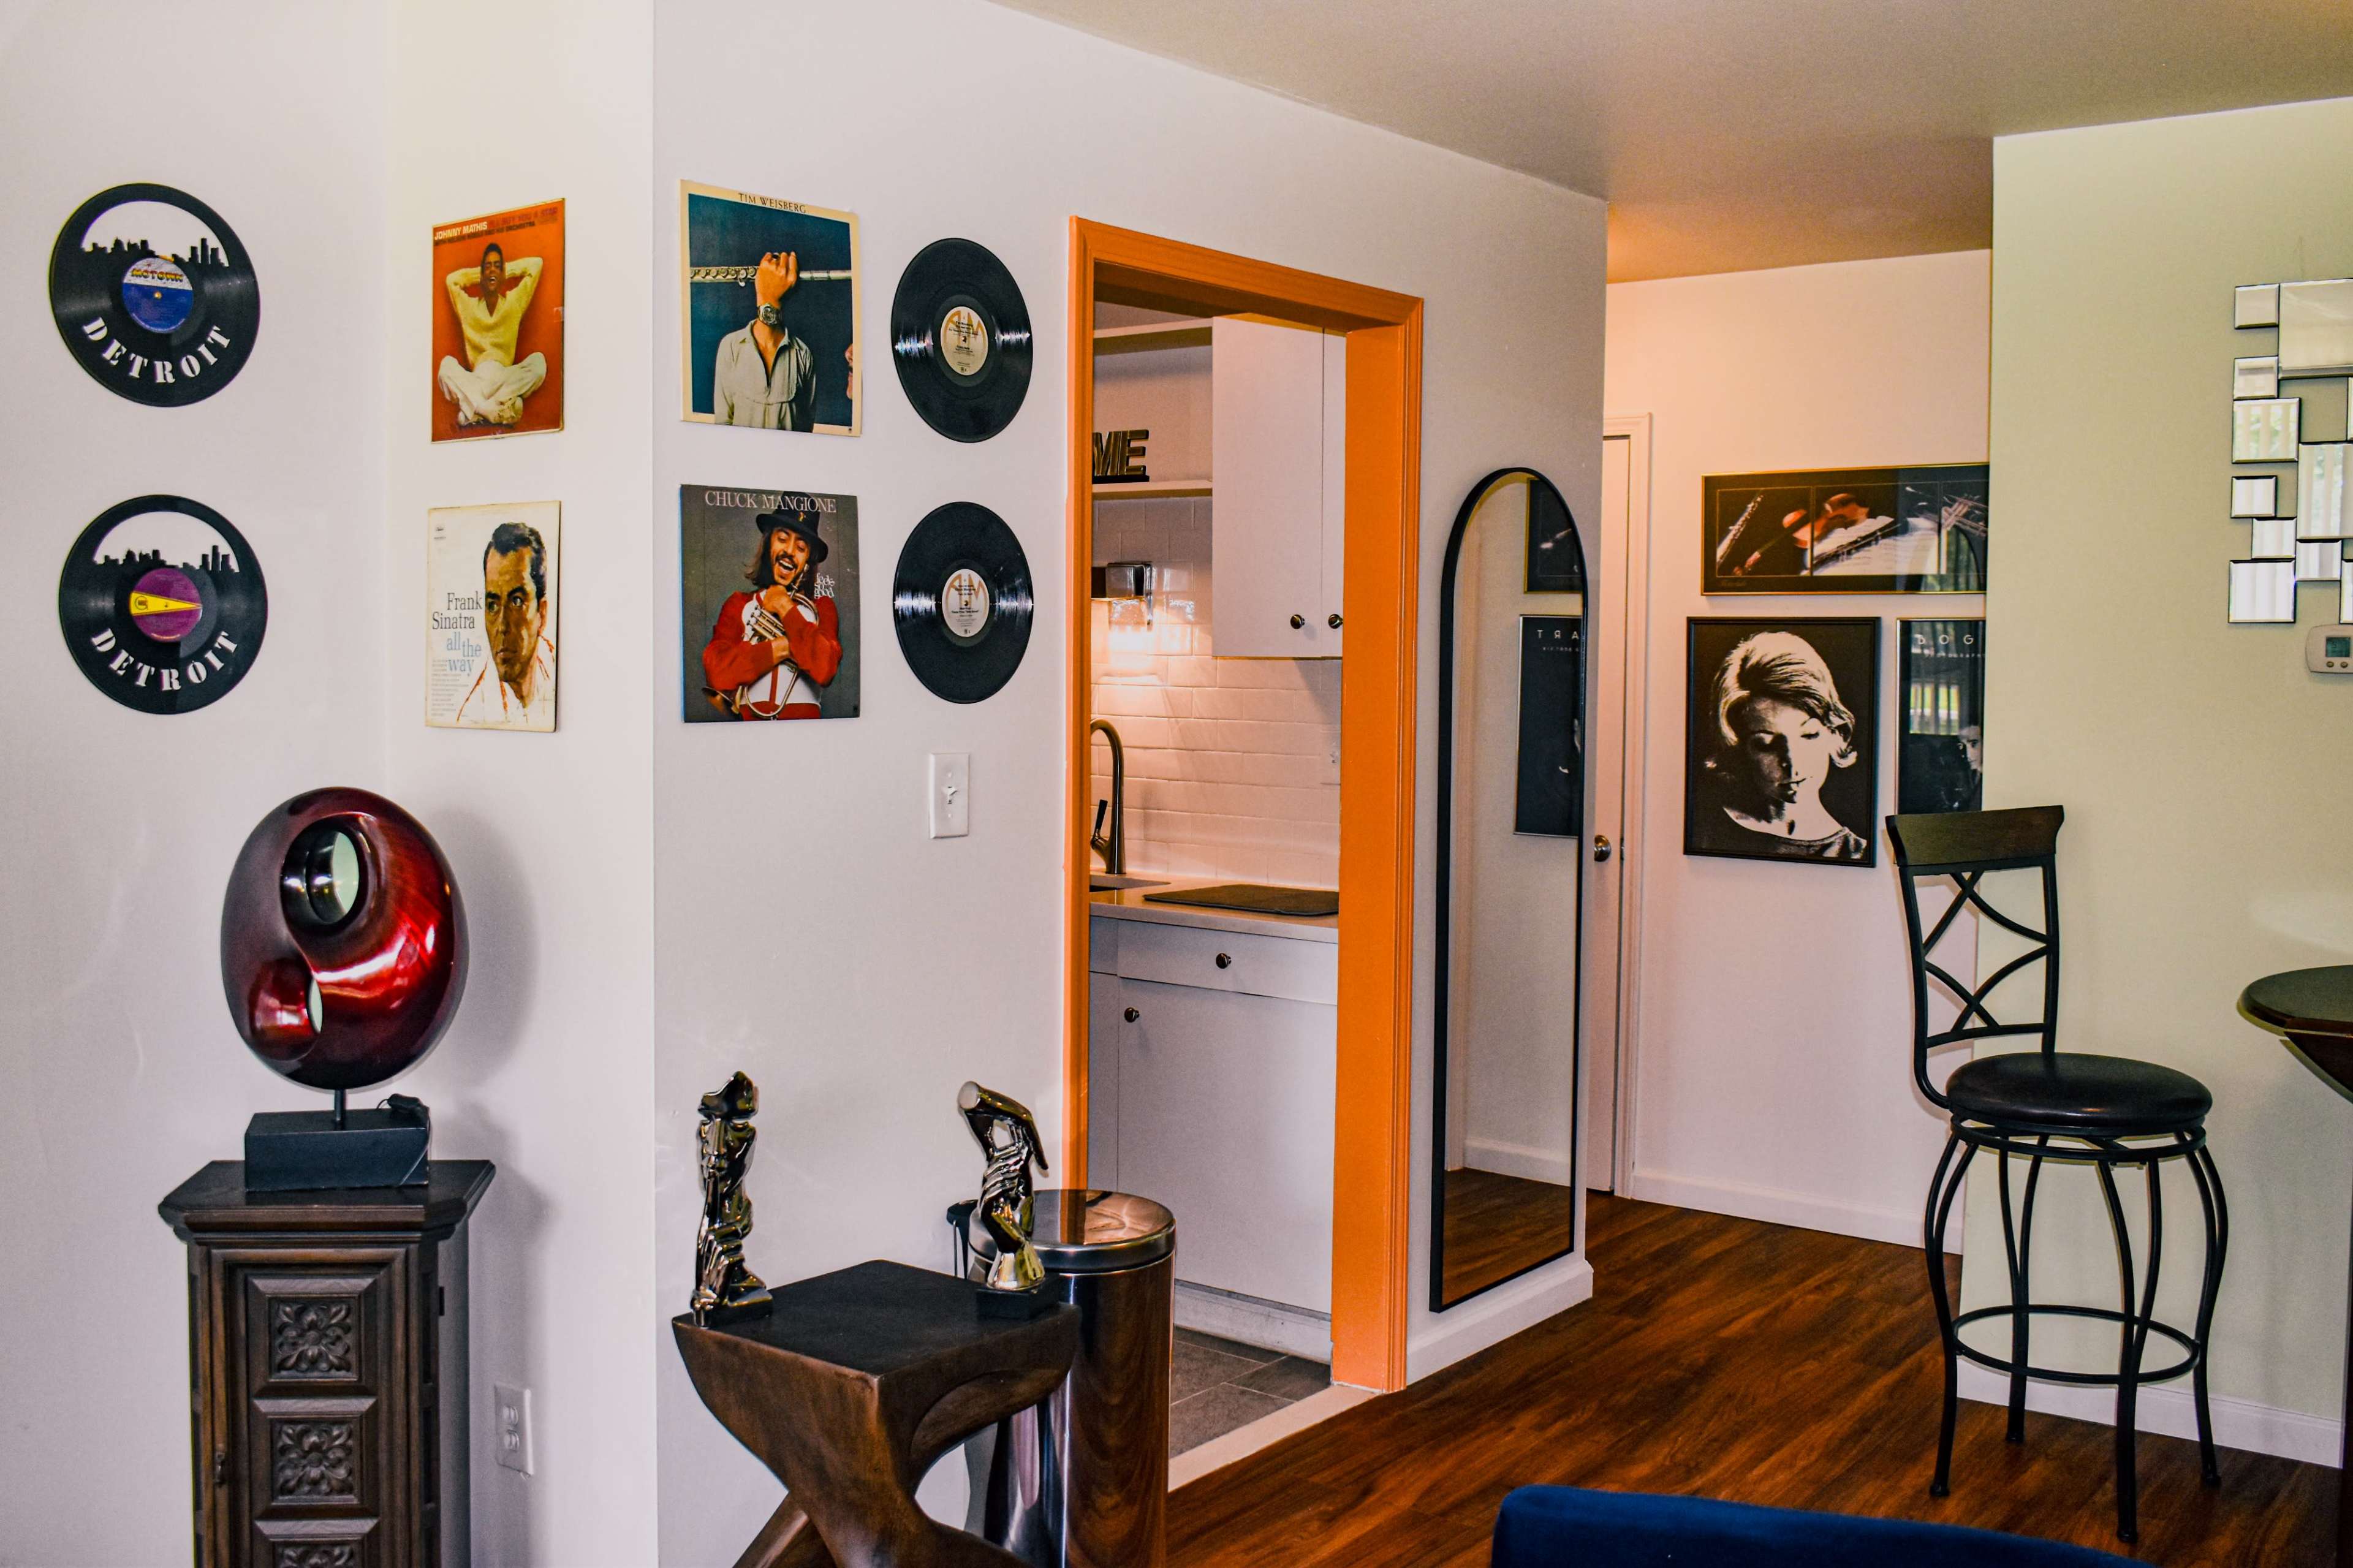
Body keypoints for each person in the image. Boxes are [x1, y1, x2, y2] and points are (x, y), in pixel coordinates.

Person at [1697, 631, 1868, 860]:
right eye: (1766, 744)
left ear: (1833, 733)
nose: (1792, 762)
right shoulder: (1704, 832)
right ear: (1737, 748)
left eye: (1809, 736)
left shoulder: (1856, 854)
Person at [701, 504, 841, 719]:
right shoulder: (739, 603)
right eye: (782, 539)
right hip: (748, 728)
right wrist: (782, 647)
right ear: (768, 544)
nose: (790, 552)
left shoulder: (823, 608)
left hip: (806, 731)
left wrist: (784, 606)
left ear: (808, 562)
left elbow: (825, 669)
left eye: (801, 548)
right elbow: (717, 674)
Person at [455, 521, 556, 728]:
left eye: (517, 601)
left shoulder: (556, 665)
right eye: (492, 605)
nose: (502, 626)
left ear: (542, 614)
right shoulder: (475, 715)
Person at [438, 242, 547, 428]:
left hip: (505, 374)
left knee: (539, 363)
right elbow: (452, 281)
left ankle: (475, 409)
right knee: (446, 366)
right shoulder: (468, 307)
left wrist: (503, 271)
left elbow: (536, 264)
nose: (492, 271)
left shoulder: (514, 302)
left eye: (497, 266)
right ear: (481, 275)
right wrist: (483, 274)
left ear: (503, 272)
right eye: (487, 267)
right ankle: (494, 408)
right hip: (477, 377)